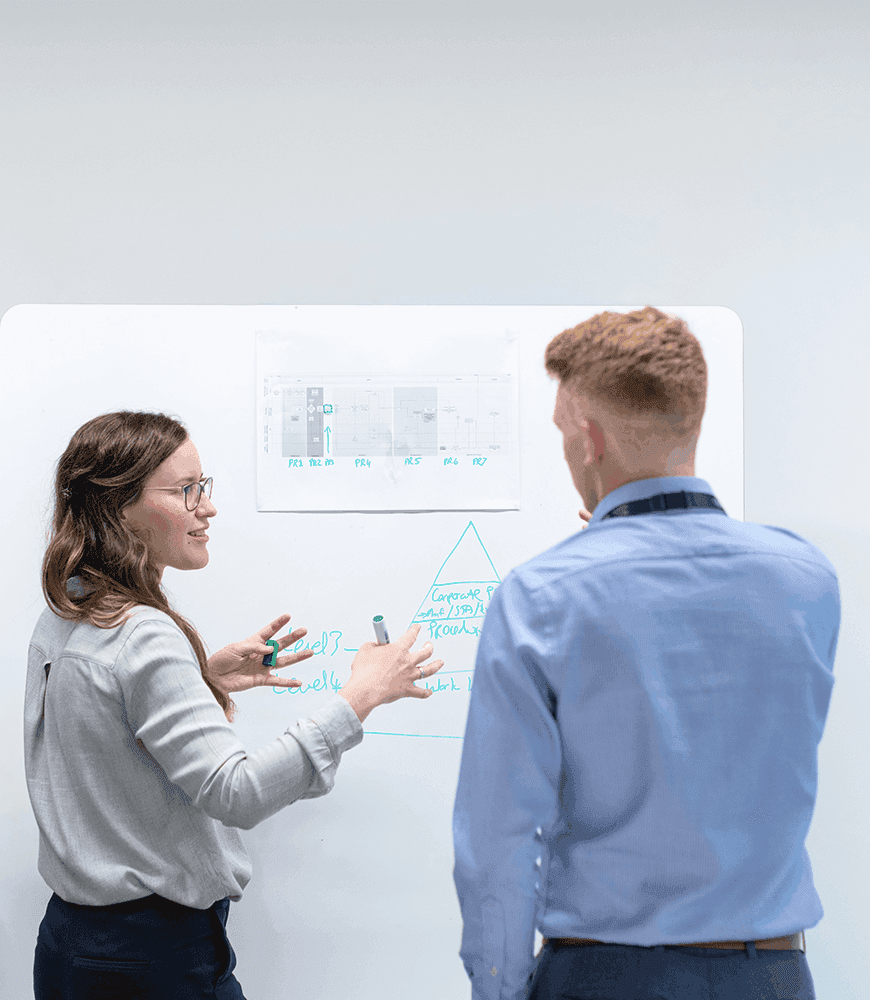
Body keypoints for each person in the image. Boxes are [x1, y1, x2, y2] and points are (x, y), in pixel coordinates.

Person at [452, 306, 839, 1000]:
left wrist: (497, 989)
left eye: (563, 433)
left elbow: (498, 842)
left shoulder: (542, 598)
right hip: (773, 977)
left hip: (606, 977)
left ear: (590, 439)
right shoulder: (807, 580)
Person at [25, 410, 444, 999]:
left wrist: (201, 679)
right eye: (185, 490)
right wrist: (361, 696)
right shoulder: (144, 635)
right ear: (120, 508)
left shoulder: (70, 607)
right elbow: (237, 793)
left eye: (204, 486)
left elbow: (101, 730)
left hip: (73, 949)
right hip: (153, 961)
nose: (208, 508)